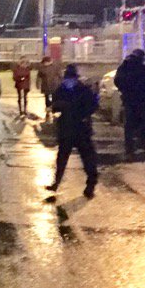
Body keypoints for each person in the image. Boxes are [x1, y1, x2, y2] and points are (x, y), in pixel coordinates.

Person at [47, 64, 99, 198]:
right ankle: (57, 182)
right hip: (68, 128)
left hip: (79, 127)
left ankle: (91, 184)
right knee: (63, 157)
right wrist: (58, 107)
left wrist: (78, 112)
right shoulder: (64, 89)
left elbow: (92, 106)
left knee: (87, 158)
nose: (68, 81)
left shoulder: (82, 90)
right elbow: (55, 105)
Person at [114, 48, 145, 155]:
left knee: (129, 123)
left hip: (129, 99)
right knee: (143, 121)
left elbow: (117, 81)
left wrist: (124, 90)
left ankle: (129, 146)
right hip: (141, 99)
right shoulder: (142, 68)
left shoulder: (124, 66)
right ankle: (142, 143)